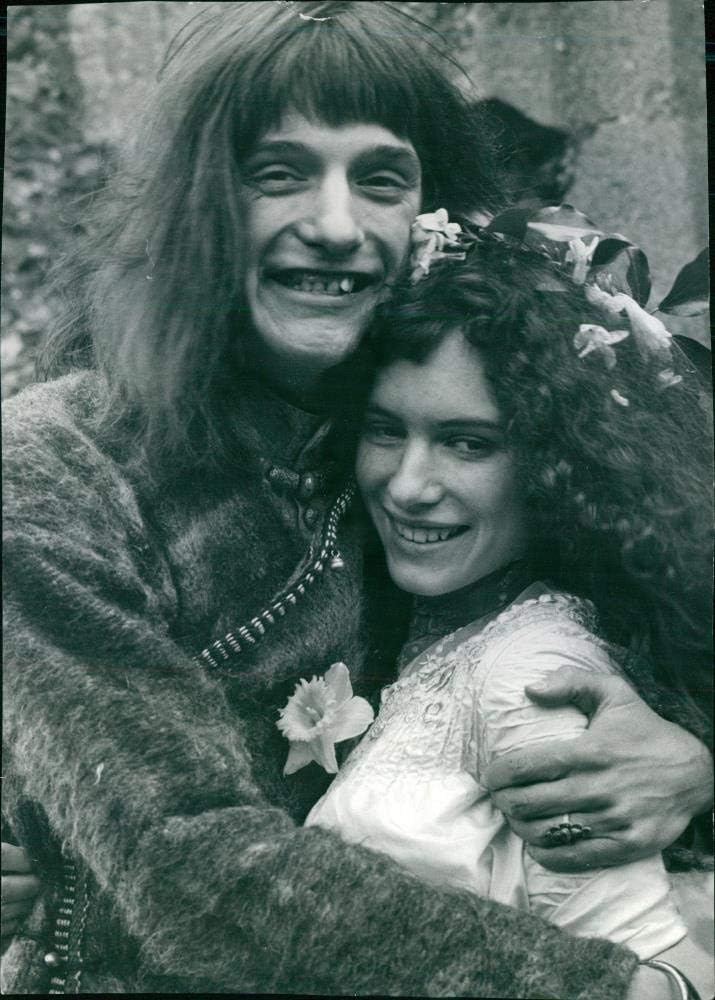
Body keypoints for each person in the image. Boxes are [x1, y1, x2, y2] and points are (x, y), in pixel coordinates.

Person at [1, 2, 711, 996]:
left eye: (380, 178)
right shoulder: (55, 469)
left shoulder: (407, 438)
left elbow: (632, 583)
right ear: (192, 201)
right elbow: (190, 868)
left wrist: (690, 756)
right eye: (277, 172)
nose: (335, 227)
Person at [306, 226, 714, 998]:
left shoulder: (534, 675)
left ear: (557, 469)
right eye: (385, 430)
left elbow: (658, 979)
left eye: (467, 443)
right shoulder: (419, 630)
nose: (406, 484)